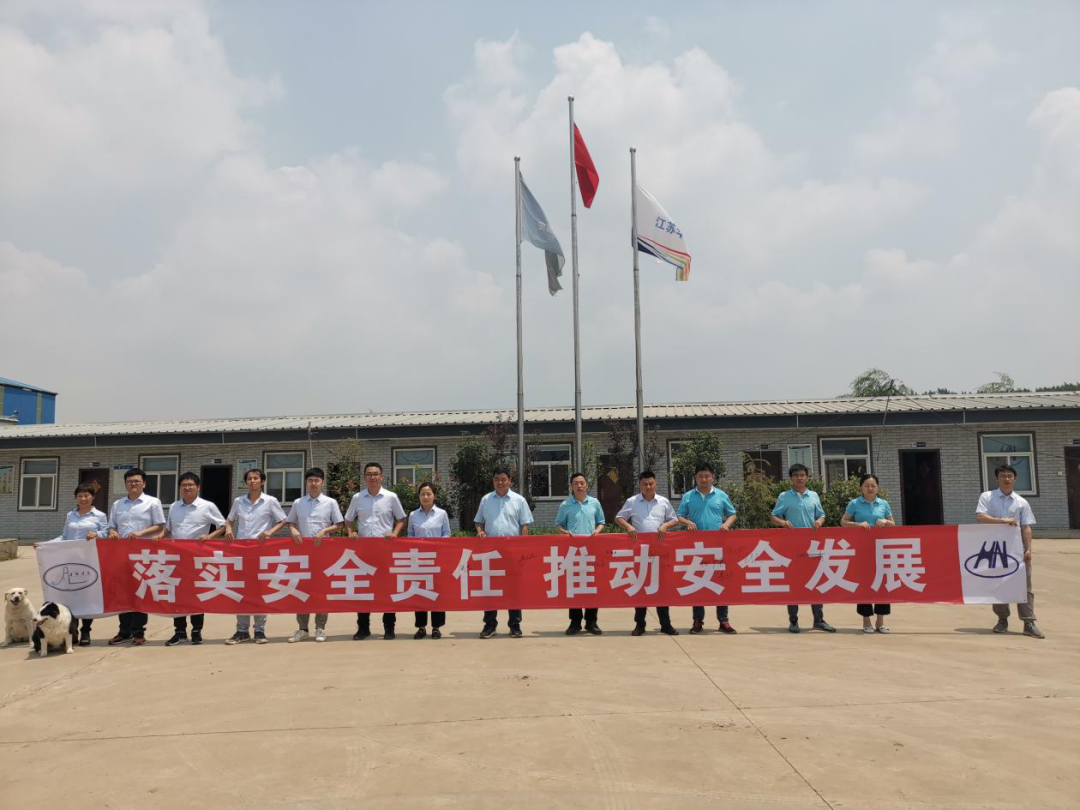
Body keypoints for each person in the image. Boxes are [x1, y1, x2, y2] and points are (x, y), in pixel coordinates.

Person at [976, 464, 1043, 639]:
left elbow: (1026, 527)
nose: (1006, 479)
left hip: (1016, 550)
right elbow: (981, 516)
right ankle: (1002, 620)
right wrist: (1003, 521)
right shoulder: (987, 497)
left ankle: (1028, 622)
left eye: (1010, 476)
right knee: (998, 584)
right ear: (997, 478)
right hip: (994, 549)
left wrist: (1028, 549)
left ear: (1015, 479)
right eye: (1003, 476)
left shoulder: (1021, 502)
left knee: (1025, 586)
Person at [224, 467, 288, 645]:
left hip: (261, 551)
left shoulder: (270, 501)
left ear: (262, 481)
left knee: (259, 590)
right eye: (249, 479)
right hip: (241, 551)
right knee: (242, 590)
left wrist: (269, 532)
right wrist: (228, 529)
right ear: (246, 482)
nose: (252, 481)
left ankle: (260, 630)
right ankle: (242, 630)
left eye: (256, 478)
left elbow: (283, 520)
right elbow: (230, 519)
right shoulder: (239, 501)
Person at [344, 462, 407, 640]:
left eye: (376, 474)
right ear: (364, 477)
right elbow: (348, 519)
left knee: (387, 589)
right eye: (369, 474)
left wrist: (394, 533)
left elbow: (401, 518)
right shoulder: (357, 497)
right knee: (363, 590)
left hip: (386, 550)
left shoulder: (391, 497)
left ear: (381, 476)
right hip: (363, 551)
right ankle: (363, 628)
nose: (373, 477)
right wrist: (351, 531)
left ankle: (389, 628)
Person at [164, 472, 226, 646]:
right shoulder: (174, 506)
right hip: (176, 557)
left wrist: (209, 537)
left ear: (198, 487)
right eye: (184, 485)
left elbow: (223, 525)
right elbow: (168, 529)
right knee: (178, 594)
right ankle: (180, 632)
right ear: (180, 488)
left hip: (197, 557)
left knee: (196, 594)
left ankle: (196, 631)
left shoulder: (207, 506)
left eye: (190, 484)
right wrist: (159, 537)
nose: (187, 488)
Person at [770, 463, 835, 633]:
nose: (799, 478)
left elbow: (821, 515)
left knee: (815, 579)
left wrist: (819, 521)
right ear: (791, 478)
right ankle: (793, 620)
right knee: (794, 582)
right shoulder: (784, 496)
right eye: (796, 475)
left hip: (813, 545)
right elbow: (774, 516)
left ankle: (818, 620)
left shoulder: (813, 495)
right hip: (792, 545)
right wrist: (783, 522)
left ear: (807, 477)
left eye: (802, 475)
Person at [615, 470, 680, 636]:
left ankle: (665, 624)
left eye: (651, 483)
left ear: (656, 484)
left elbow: (674, 519)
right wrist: (628, 526)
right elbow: (619, 517)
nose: (648, 487)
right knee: (641, 587)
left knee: (661, 587)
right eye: (645, 484)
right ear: (640, 485)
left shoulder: (663, 501)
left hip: (660, 551)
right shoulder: (632, 501)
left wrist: (665, 526)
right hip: (640, 551)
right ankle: (640, 624)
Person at [41, 483, 107, 645]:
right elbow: (64, 537)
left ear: (93, 497)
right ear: (76, 498)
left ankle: (86, 630)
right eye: (80, 496)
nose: (83, 498)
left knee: (87, 595)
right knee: (70, 595)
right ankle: (73, 630)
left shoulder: (100, 515)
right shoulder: (70, 515)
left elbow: (106, 533)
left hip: (88, 560)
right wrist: (45, 545)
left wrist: (96, 534)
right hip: (69, 560)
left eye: (87, 495)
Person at [107, 468, 166, 646]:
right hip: (121, 554)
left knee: (140, 591)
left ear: (144, 483)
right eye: (130, 481)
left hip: (143, 554)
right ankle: (124, 631)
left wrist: (140, 533)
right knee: (123, 592)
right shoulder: (117, 504)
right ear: (125, 484)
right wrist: (113, 532)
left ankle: (138, 632)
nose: (133, 484)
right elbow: (112, 526)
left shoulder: (153, 502)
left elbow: (160, 525)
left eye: (137, 481)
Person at [676, 463, 738, 634]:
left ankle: (723, 620)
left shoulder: (721, 495)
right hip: (696, 547)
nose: (704, 479)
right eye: (700, 476)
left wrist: (726, 524)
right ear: (695, 478)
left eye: (707, 476)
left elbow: (732, 514)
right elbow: (679, 515)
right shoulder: (689, 496)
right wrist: (688, 522)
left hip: (718, 546)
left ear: (712, 477)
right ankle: (697, 620)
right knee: (697, 582)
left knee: (720, 581)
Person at [286, 467, 344, 643]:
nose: (313, 483)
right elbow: (290, 522)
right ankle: (302, 629)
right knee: (302, 590)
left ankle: (320, 628)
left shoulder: (330, 502)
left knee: (320, 590)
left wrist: (324, 531)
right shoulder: (298, 503)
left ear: (322, 482)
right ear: (306, 482)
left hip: (322, 552)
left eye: (317, 480)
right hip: (302, 553)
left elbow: (339, 524)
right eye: (310, 480)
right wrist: (294, 530)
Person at [474, 467, 533, 638]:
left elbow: (524, 525)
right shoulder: (486, 499)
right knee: (490, 589)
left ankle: (515, 625)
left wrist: (522, 549)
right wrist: (480, 531)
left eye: (503, 479)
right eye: (496, 479)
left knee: (513, 588)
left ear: (510, 480)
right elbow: (479, 521)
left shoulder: (519, 500)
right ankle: (490, 625)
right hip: (490, 552)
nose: (500, 482)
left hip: (512, 552)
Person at [841, 473, 896, 633]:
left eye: (873, 486)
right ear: (861, 487)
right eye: (867, 486)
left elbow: (893, 524)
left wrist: (885, 521)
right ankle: (866, 620)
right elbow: (843, 522)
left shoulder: (883, 503)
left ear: (877, 488)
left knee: (882, 583)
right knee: (865, 583)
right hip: (862, 549)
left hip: (882, 549)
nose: (870, 488)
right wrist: (858, 524)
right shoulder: (854, 503)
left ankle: (880, 621)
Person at [555, 472, 606, 635]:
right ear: (571, 486)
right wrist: (565, 532)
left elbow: (601, 522)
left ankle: (591, 622)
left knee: (592, 586)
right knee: (574, 586)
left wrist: (597, 532)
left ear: (587, 485)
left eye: (582, 483)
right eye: (576, 483)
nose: (579, 486)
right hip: (573, 551)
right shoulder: (565, 505)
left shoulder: (594, 503)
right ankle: (575, 622)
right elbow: (558, 525)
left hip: (592, 551)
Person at [407, 481, 451, 639]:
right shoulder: (413, 515)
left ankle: (436, 627)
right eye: (422, 494)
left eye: (428, 494)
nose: (425, 497)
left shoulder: (441, 514)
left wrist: (438, 544)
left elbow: (447, 533)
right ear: (419, 496)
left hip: (437, 559)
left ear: (434, 496)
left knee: (436, 592)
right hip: (418, 559)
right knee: (419, 592)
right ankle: (421, 627)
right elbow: (410, 535)